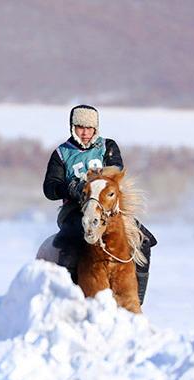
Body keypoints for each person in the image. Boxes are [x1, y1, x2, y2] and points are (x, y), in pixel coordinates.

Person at [42, 104, 156, 304]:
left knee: (144, 241)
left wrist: (92, 183)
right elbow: (50, 188)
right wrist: (70, 188)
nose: (85, 133)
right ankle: (71, 300)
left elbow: (115, 172)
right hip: (75, 211)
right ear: (72, 127)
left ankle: (135, 300)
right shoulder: (61, 153)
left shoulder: (108, 147)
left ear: (96, 128)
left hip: (108, 211)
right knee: (68, 249)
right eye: (80, 127)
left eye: (89, 128)